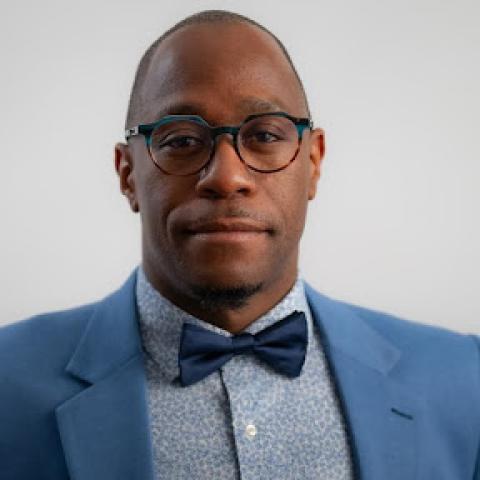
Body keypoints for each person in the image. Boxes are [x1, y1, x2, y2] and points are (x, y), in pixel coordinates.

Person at [0, 9, 479, 480]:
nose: (227, 177)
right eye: (182, 140)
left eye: (265, 135)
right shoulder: (8, 382)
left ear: (312, 162)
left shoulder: (465, 381)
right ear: (127, 175)